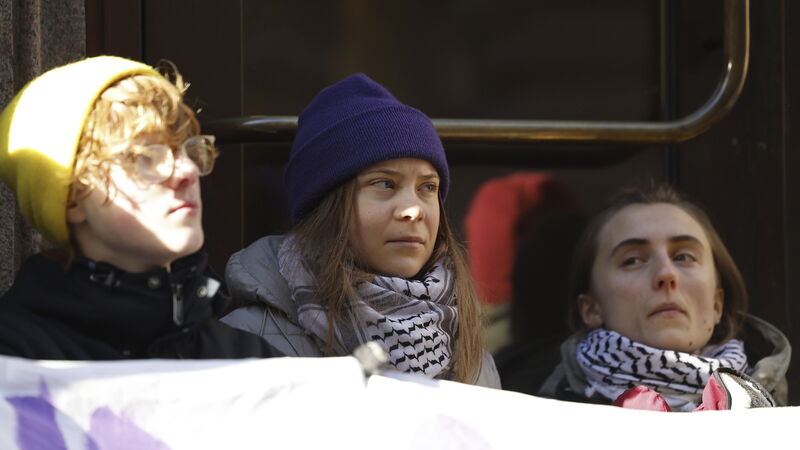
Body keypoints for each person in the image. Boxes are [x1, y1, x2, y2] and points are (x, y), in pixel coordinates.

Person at [221, 73, 500, 387]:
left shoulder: (471, 353)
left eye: (428, 187)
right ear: (325, 205)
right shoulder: (247, 342)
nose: (413, 210)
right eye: (384, 184)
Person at [0, 56, 277, 360]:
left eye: (188, 149)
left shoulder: (248, 360)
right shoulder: (15, 359)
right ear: (73, 197)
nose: (187, 171)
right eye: (147, 156)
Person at [536, 185, 789, 410]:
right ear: (591, 309)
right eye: (632, 260)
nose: (666, 274)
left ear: (717, 305)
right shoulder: (537, 423)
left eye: (683, 257)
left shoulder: (781, 422)